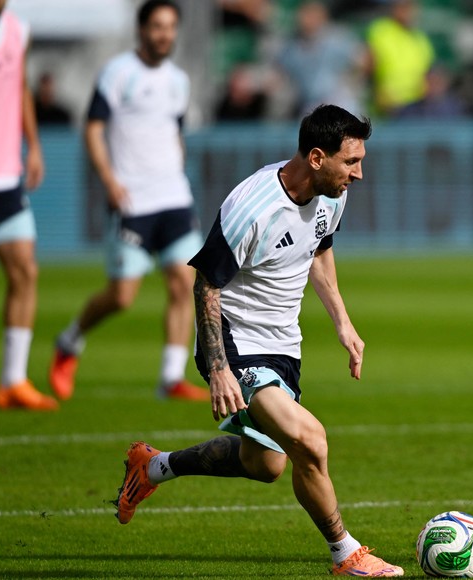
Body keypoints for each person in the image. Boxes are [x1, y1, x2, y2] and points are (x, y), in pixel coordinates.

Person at [113, 104, 403, 577]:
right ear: (316, 157)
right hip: (235, 342)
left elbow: (319, 250)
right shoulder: (251, 207)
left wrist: (343, 323)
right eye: (351, 162)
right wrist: (220, 367)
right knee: (310, 440)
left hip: (283, 345)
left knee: (265, 463)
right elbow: (206, 284)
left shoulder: (332, 194)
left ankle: (152, 467)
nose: (360, 173)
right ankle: (345, 553)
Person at [49, 0, 207, 402]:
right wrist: (109, 180)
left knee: (183, 283)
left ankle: (170, 378)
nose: (164, 34)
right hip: (132, 199)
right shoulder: (118, 72)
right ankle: (69, 341)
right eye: (157, 26)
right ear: (141, 30)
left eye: (170, 27)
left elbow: (174, 131)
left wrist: (177, 168)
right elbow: (93, 128)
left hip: (173, 196)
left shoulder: (178, 80)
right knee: (122, 296)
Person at [0, 0, 58, 411]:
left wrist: (34, 145)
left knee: (25, 270)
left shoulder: (16, 32)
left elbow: (19, 87)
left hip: (2, 177)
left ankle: (13, 382)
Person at [275, 0, 368, 119]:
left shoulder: (337, 38)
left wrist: (353, 83)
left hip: (340, 101)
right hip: (309, 104)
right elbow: (279, 71)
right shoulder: (292, 46)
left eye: (312, 14)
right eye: (304, 14)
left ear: (322, 16)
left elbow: (363, 59)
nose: (307, 19)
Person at [365, 0, 434, 116]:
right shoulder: (381, 30)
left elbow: (429, 74)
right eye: (403, 7)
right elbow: (369, 63)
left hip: (417, 104)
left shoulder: (421, 39)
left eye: (410, 8)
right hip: (388, 104)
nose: (408, 12)